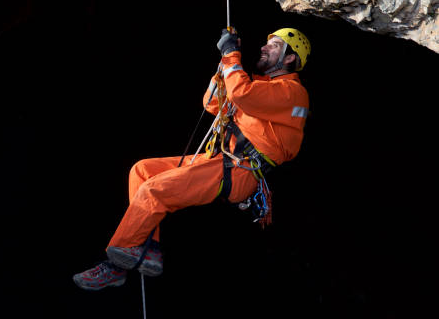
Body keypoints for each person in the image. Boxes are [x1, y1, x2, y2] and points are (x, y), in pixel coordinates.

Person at [73, 28, 311, 291]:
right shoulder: (260, 86)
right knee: (142, 171)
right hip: (222, 159)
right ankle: (148, 248)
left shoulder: (292, 93)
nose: (265, 48)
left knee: (155, 190)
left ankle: (117, 264)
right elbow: (211, 103)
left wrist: (232, 56)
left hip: (239, 169)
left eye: (275, 46)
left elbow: (241, 95)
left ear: (289, 59)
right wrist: (224, 64)